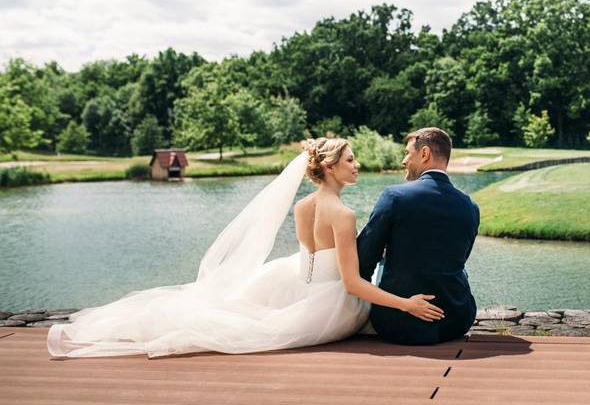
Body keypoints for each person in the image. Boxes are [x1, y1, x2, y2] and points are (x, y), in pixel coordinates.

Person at [47, 137, 441, 358]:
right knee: (254, 328)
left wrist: (312, 284)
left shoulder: (304, 206)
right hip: (335, 300)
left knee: (233, 308)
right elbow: (352, 284)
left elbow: (310, 260)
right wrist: (406, 303)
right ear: (330, 166)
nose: (357, 165)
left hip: (301, 282)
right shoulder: (344, 214)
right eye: (351, 160)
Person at [357, 127, 481, 345]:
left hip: (400, 324)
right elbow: (454, 258)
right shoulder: (470, 206)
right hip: (457, 319)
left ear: (424, 154)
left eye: (407, 153)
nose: (404, 160)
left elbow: (363, 260)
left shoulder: (395, 196)